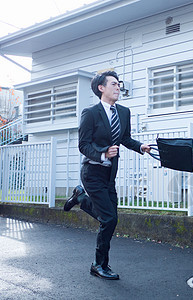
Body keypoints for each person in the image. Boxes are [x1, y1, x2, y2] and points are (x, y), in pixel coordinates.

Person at [63, 70, 150, 280]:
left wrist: (141, 147)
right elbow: (83, 145)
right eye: (113, 84)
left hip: (109, 175)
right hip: (92, 172)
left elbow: (126, 139)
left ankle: (82, 199)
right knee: (109, 219)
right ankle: (99, 265)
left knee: (111, 219)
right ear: (101, 88)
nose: (118, 87)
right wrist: (102, 153)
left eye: (119, 84)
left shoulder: (124, 112)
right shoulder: (90, 113)